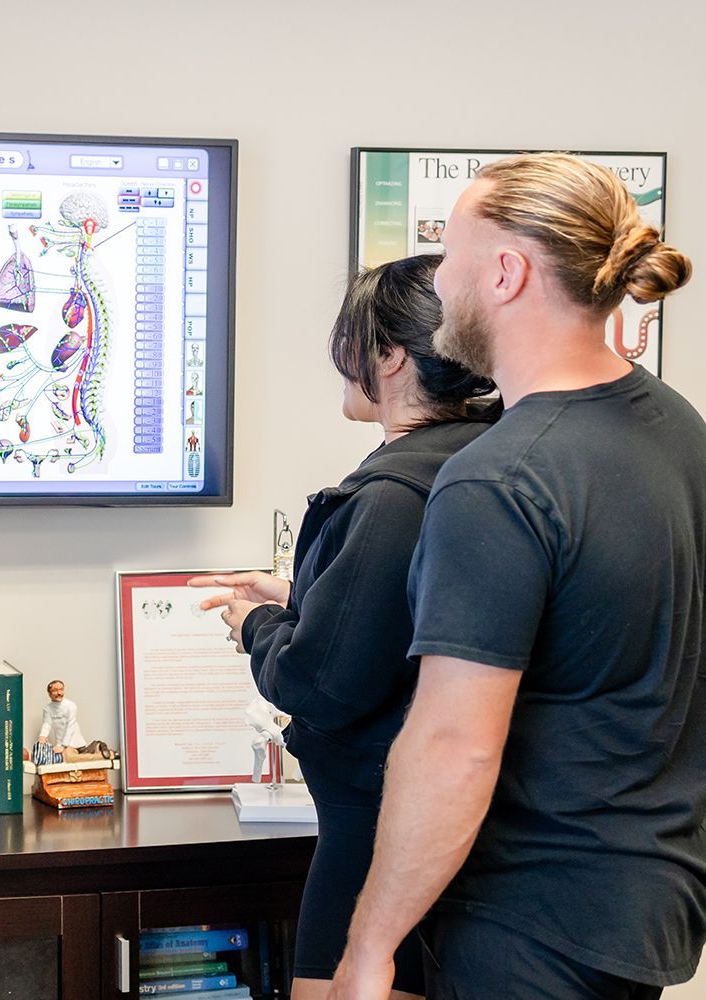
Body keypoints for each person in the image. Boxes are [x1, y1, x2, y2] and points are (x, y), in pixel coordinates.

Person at [329, 154, 703, 1000]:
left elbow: (455, 746)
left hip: (527, 923)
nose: (443, 282)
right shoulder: (675, 425)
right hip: (642, 904)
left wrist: (370, 946)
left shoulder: (500, 477)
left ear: (505, 273)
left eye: (451, 255)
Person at [191, 253, 497, 1000]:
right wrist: (303, 595)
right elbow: (419, 619)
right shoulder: (481, 461)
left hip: (376, 833)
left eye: (352, 344)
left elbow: (318, 681)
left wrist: (257, 622)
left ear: (390, 357)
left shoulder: (392, 493)